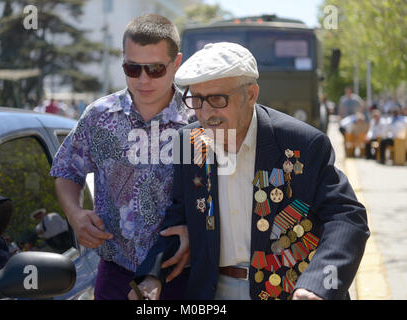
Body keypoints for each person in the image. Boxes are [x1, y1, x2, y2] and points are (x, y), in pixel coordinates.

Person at [128, 42, 370, 300]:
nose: (207, 113)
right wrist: (151, 276)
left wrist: (318, 284)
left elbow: (346, 217)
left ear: (251, 95)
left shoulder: (303, 143)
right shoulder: (188, 141)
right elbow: (180, 218)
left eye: (218, 99)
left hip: (292, 290)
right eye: (196, 100)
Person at [50, 14, 192, 300]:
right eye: (132, 68)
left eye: (154, 69)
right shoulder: (98, 116)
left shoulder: (198, 119)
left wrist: (198, 231)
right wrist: (75, 215)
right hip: (116, 274)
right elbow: (66, 172)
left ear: (176, 64)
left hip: (181, 274)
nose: (142, 79)